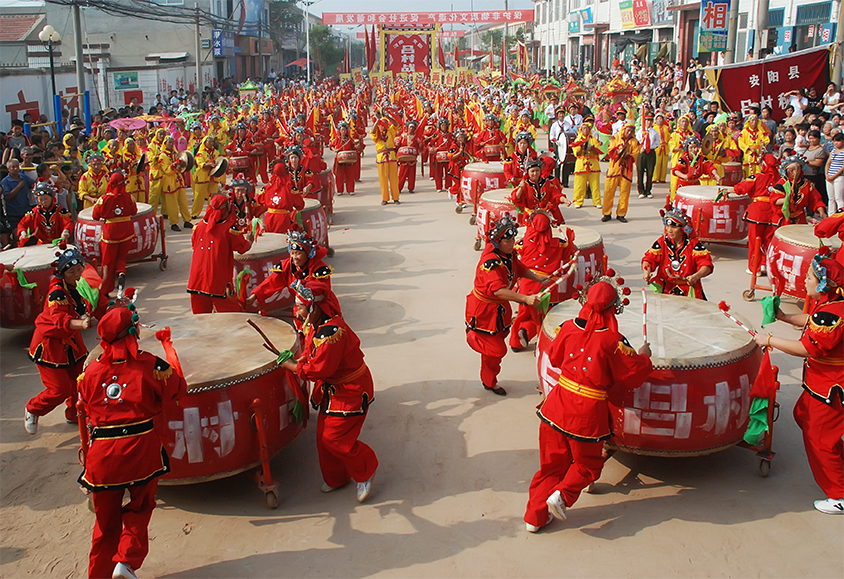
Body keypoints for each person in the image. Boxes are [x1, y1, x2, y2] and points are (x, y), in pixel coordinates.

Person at [523, 280, 652, 533]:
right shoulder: (613, 340)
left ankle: (534, 518)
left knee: (550, 466)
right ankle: (562, 496)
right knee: (588, 465)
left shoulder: (567, 327)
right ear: (614, 308)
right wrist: (644, 355)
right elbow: (633, 373)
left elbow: (557, 358)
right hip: (587, 413)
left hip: (556, 405)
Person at [77, 304, 186, 579]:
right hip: (140, 451)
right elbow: (177, 389)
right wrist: (168, 348)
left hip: (102, 457)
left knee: (104, 525)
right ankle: (125, 562)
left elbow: (87, 408)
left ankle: (99, 575)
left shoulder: (89, 373)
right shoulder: (151, 365)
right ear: (132, 334)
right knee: (140, 506)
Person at [755, 255, 843, 515]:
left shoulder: (832, 315)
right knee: (802, 414)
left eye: (810, 277)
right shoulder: (831, 304)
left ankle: (838, 494)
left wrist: (768, 339)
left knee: (820, 440)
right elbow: (811, 321)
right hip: (820, 385)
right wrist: (782, 316)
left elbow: (805, 347)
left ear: (824, 284)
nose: (804, 280)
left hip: (830, 389)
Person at [280, 279, 378, 503]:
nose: (298, 311)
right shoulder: (316, 325)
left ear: (314, 308)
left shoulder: (332, 333)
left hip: (350, 390)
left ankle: (366, 469)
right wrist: (299, 358)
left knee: (334, 438)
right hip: (332, 389)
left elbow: (318, 369)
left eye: (301, 306)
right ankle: (337, 478)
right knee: (322, 435)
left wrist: (291, 366)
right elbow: (311, 352)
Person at [24, 248, 108, 434]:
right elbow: (58, 319)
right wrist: (81, 323)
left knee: (81, 380)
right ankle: (33, 409)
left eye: (79, 269)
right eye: (72, 272)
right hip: (51, 344)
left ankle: (74, 413)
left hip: (71, 340)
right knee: (59, 389)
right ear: (62, 274)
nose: (77, 274)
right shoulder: (58, 293)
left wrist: (112, 306)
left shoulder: (81, 284)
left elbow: (97, 300)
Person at [465, 215, 549, 396]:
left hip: (499, 311)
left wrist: (538, 278)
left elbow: (519, 268)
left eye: (513, 239)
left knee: (496, 345)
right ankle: (474, 340)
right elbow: (498, 291)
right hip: (485, 312)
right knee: (497, 350)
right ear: (498, 241)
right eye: (508, 240)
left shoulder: (507, 255)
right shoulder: (491, 263)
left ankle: (489, 379)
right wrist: (525, 299)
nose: (513, 243)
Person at [509, 211, 576, 351]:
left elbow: (514, 254)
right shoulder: (559, 244)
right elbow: (571, 253)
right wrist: (571, 242)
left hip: (528, 284)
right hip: (548, 286)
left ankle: (516, 341)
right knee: (546, 317)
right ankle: (539, 341)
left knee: (525, 313)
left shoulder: (522, 243)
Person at [186, 195, 253, 313]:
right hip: (218, 281)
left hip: (196, 280)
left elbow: (194, 245)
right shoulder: (229, 229)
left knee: (201, 317)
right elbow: (243, 248)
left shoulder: (199, 226)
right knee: (231, 315)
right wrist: (250, 239)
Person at [642, 206, 714, 299]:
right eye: (667, 226)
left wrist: (696, 276)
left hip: (688, 289)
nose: (669, 230)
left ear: (682, 229)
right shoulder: (662, 242)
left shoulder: (694, 245)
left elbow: (706, 265)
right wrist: (646, 271)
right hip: (666, 289)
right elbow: (649, 259)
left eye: (673, 227)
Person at [91, 172, 138, 296]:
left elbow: (95, 216)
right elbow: (134, 211)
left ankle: (105, 290)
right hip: (127, 231)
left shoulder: (104, 199)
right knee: (121, 257)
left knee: (108, 262)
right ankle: (121, 272)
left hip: (110, 234)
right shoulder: (129, 197)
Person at [737, 153, 781, 273]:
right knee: (768, 241)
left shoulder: (757, 177)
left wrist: (729, 189)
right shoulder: (779, 179)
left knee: (754, 240)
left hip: (757, 213)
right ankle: (765, 265)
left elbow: (741, 188)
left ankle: (754, 267)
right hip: (772, 213)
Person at [771, 154, 828, 225]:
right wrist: (788, 199)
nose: (794, 172)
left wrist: (821, 212)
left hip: (799, 218)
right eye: (792, 170)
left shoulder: (806, 184)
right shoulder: (781, 184)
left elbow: (815, 199)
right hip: (783, 218)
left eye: (797, 169)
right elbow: (775, 200)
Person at [602, 122, 640, 223]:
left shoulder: (634, 141)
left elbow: (636, 154)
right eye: (628, 130)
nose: (629, 132)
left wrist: (627, 155)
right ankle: (606, 213)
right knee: (608, 191)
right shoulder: (615, 138)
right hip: (614, 169)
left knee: (624, 193)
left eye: (632, 130)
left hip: (626, 170)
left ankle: (621, 213)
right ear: (624, 129)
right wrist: (618, 152)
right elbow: (610, 151)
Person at [570, 120, 602, 208]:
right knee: (579, 185)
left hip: (593, 164)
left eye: (587, 128)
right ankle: (578, 201)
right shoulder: (578, 140)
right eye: (583, 128)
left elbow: (598, 152)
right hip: (581, 165)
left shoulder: (594, 139)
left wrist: (592, 149)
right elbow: (576, 153)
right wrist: (581, 148)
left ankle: (597, 201)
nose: (585, 130)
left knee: (595, 185)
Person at [3, 158, 36, 243]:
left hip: (25, 210)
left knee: (29, 234)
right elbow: (8, 197)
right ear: (8, 169)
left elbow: (34, 185)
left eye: (17, 166)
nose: (16, 169)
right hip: (13, 213)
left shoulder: (24, 177)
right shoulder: (5, 181)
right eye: (13, 167)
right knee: (17, 235)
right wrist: (19, 186)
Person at [370, 112, 400, 205]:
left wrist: (388, 116)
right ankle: (385, 198)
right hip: (382, 158)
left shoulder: (390, 131)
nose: (383, 126)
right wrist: (377, 119)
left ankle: (396, 198)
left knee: (394, 179)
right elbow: (372, 131)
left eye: (385, 124)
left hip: (391, 156)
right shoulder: (377, 135)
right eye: (381, 125)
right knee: (383, 179)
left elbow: (396, 124)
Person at [191, 135, 223, 219]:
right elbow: (201, 164)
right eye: (209, 141)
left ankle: (211, 212)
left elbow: (220, 160)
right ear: (205, 143)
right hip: (202, 177)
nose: (211, 143)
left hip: (213, 177)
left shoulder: (215, 152)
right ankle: (195, 213)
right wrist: (209, 164)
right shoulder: (200, 153)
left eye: (212, 141)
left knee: (213, 196)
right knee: (199, 196)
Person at [330, 121, 361, 196]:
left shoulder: (350, 139)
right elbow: (331, 146)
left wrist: (356, 147)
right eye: (342, 130)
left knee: (350, 174)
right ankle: (340, 190)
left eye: (344, 129)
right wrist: (335, 150)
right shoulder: (336, 139)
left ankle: (350, 189)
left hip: (349, 159)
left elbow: (354, 146)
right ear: (339, 130)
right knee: (339, 175)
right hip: (339, 159)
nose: (343, 131)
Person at [636, 114, 660, 199]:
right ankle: (641, 191)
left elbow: (657, 143)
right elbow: (637, 142)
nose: (649, 122)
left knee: (650, 173)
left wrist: (651, 147)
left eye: (650, 120)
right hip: (642, 153)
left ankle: (648, 190)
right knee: (640, 171)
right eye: (647, 120)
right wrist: (640, 148)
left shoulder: (654, 132)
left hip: (651, 153)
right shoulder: (640, 131)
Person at [825, 133, 844, 214]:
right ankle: (831, 215)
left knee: (839, 198)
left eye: (838, 141)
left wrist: (834, 176)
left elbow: (843, 167)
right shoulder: (833, 150)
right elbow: (828, 163)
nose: (836, 143)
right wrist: (827, 174)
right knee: (831, 198)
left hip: (839, 176)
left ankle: (841, 216)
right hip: (829, 175)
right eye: (834, 141)